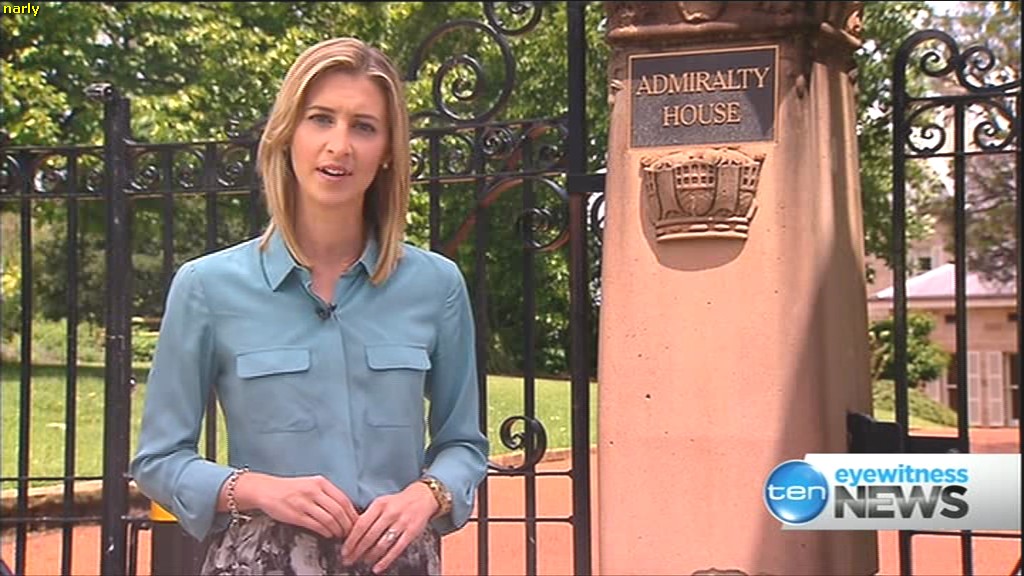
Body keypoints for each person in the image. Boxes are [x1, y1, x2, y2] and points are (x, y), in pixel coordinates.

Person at [130, 37, 489, 576]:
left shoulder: (436, 286)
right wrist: (258, 489)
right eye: (321, 119)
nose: (339, 145)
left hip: (395, 562)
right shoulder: (206, 287)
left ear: (388, 151)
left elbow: (463, 445)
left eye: (363, 127)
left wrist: (428, 494)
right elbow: (158, 461)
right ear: (287, 134)